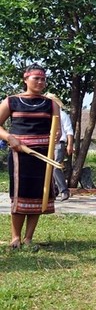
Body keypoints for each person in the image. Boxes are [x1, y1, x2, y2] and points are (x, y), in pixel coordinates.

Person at [0, 64, 60, 250]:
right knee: (20, 195)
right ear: (25, 79)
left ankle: (28, 238)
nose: (41, 82)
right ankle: (15, 237)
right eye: (37, 78)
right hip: (20, 154)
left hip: (43, 155)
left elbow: (56, 129)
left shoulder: (51, 104)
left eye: (43, 79)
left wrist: (56, 136)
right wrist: (10, 138)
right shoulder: (11, 101)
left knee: (38, 195)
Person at [44, 93, 74, 202]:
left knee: (56, 166)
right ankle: (53, 190)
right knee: (48, 168)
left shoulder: (62, 114)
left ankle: (64, 190)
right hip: (47, 144)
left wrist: (70, 144)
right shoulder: (45, 115)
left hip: (59, 144)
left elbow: (69, 131)